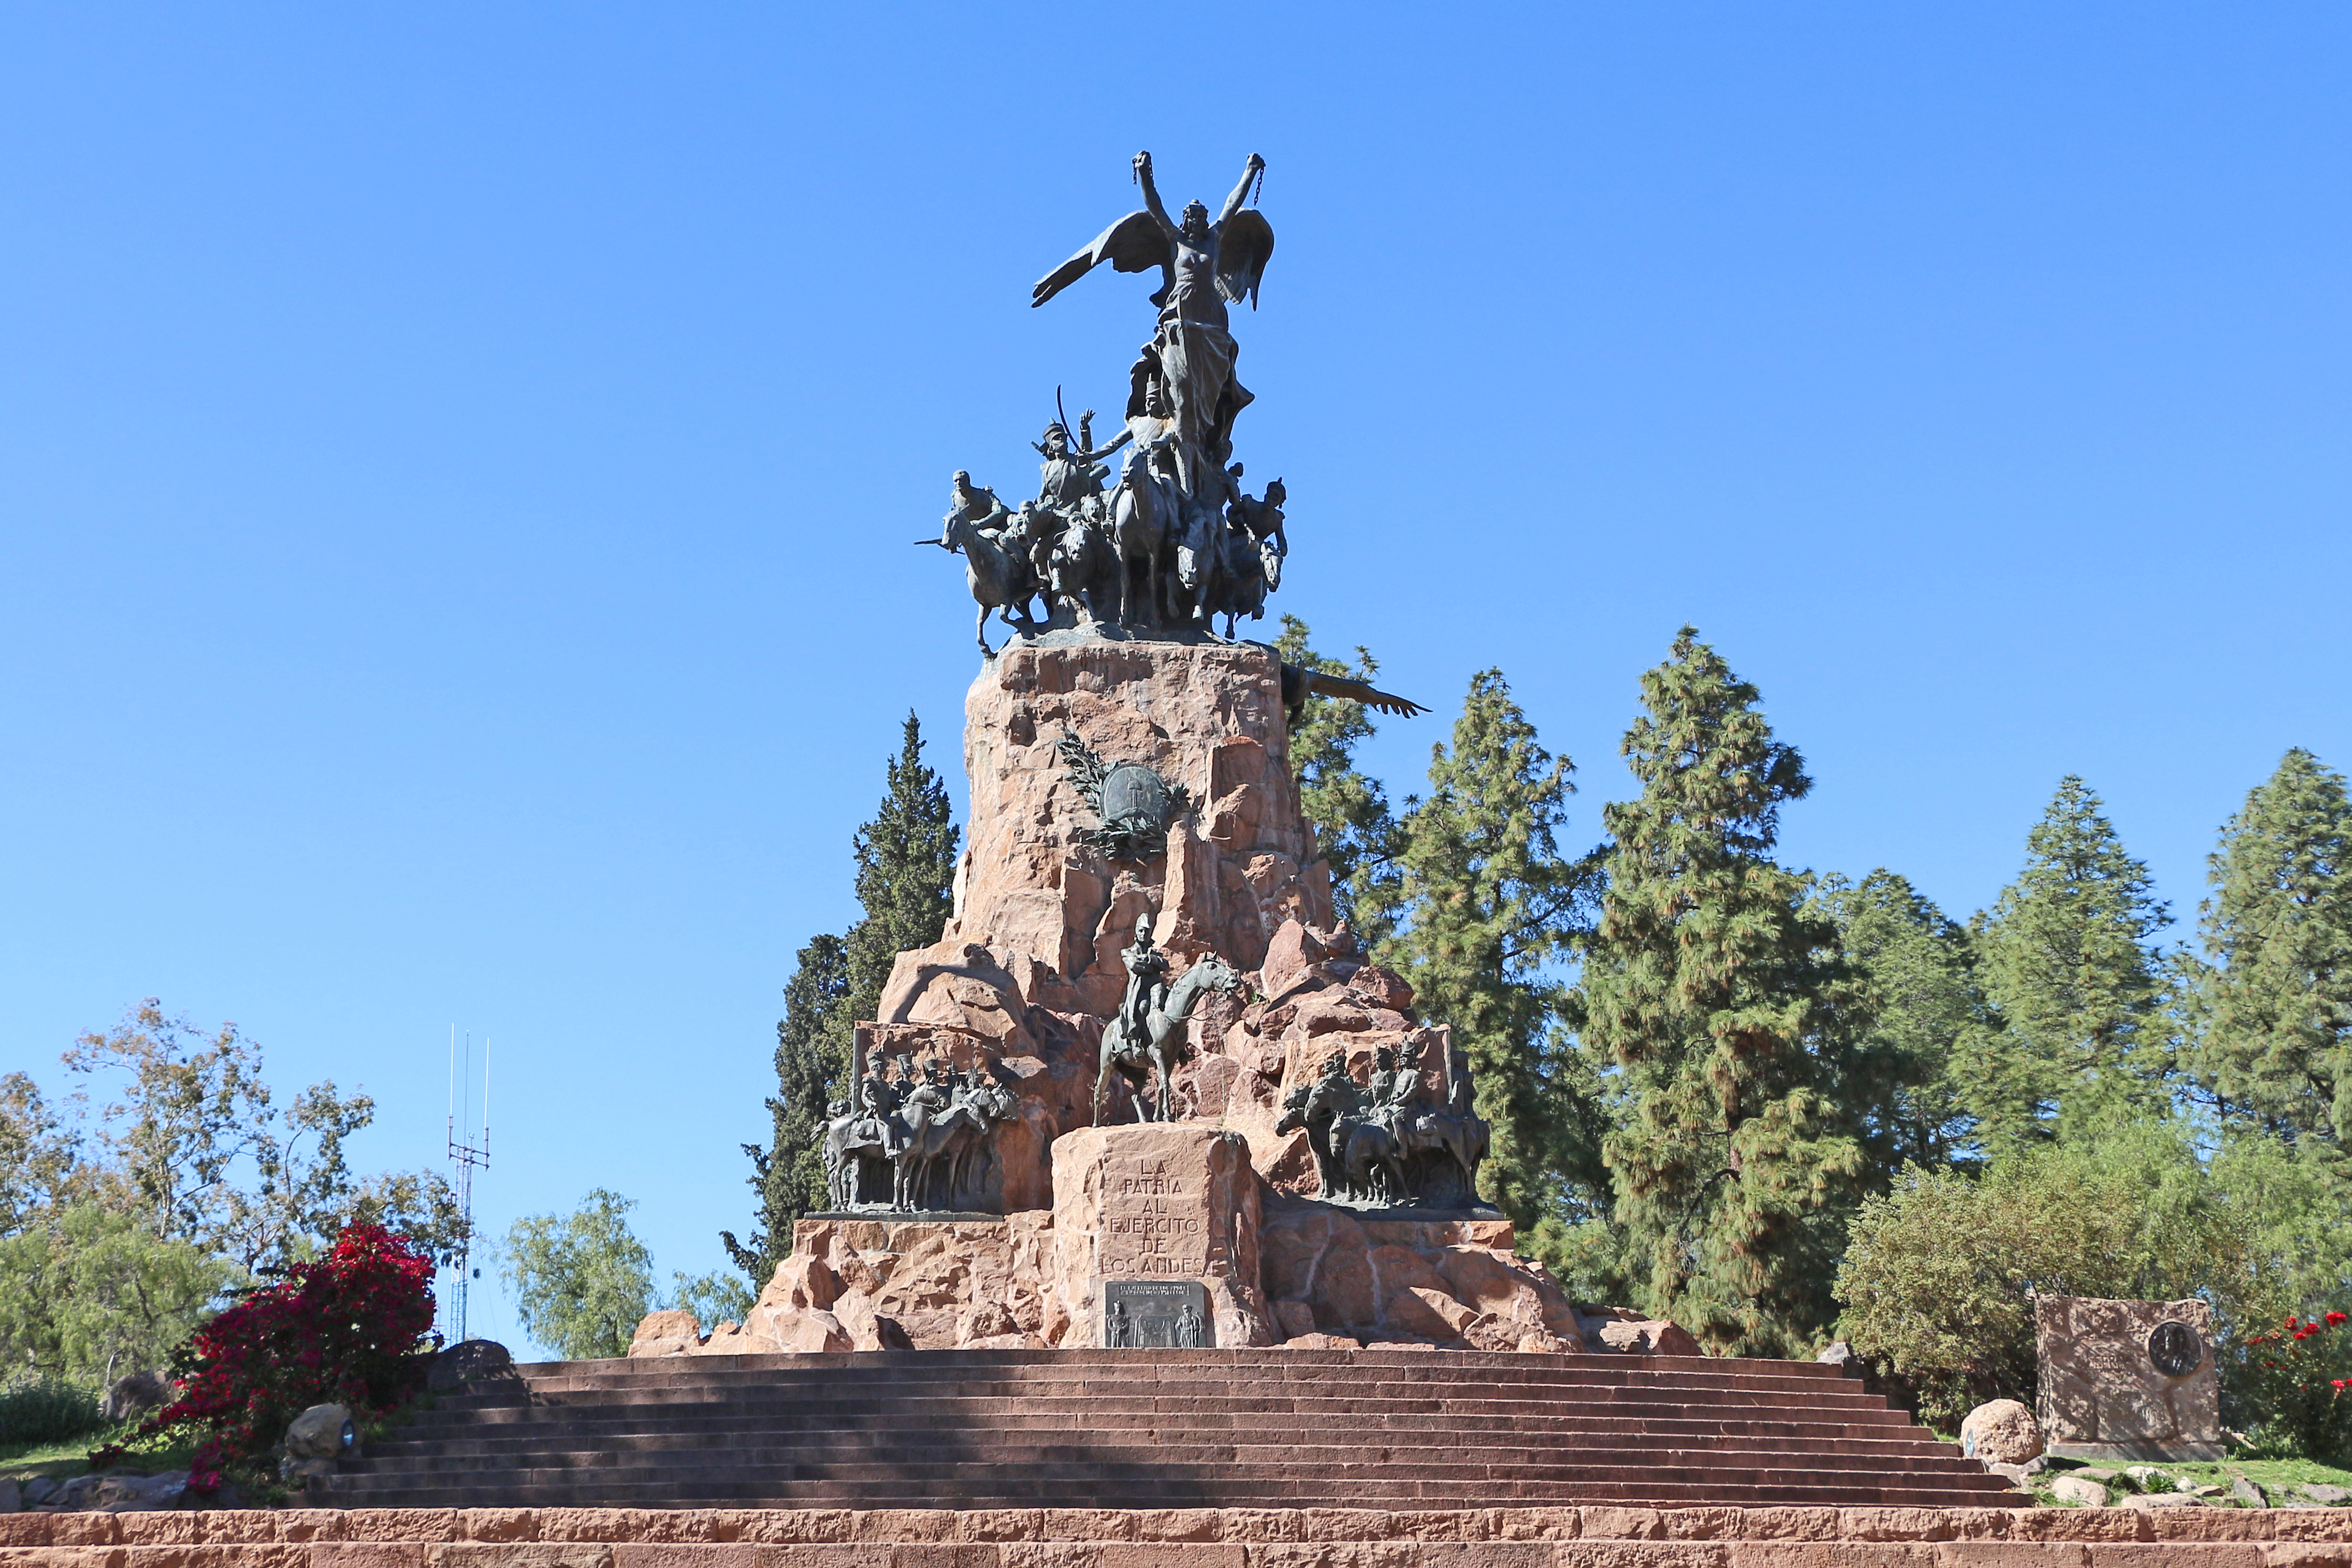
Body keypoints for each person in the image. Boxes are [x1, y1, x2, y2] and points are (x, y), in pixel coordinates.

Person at [1115, 914, 1170, 1052]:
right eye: (1141, 930)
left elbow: (1165, 965)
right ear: (1136, 931)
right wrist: (1153, 966)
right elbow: (1135, 966)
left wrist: (1148, 959)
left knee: (1173, 1004)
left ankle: (1181, 1048)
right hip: (1140, 991)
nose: (1143, 934)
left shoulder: (1154, 953)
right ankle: (1136, 1043)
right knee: (1142, 1008)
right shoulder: (1128, 952)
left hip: (1157, 986)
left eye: (1146, 931)